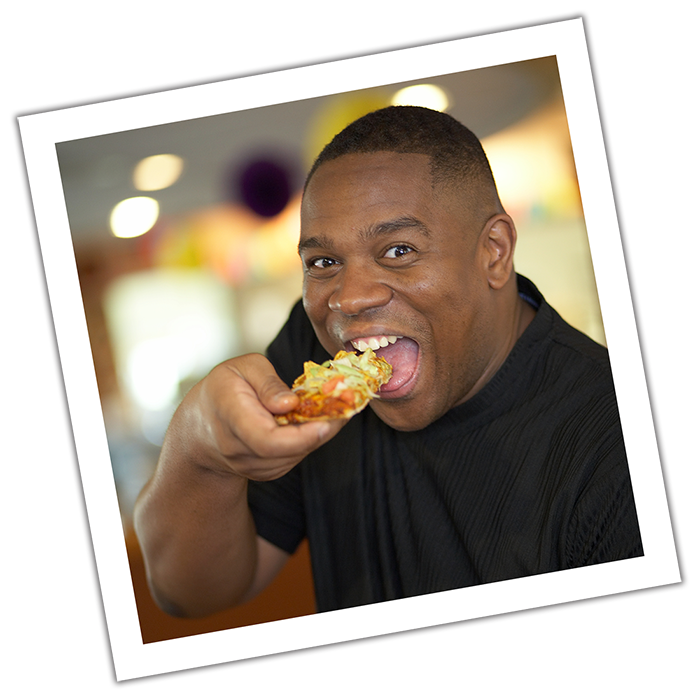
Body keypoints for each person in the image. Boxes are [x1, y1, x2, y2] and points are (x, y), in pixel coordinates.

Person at [133, 106, 643, 618]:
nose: (348, 299)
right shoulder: (313, 357)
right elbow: (189, 593)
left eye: (398, 249)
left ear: (494, 251)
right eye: (323, 263)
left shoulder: (622, 443)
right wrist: (199, 448)